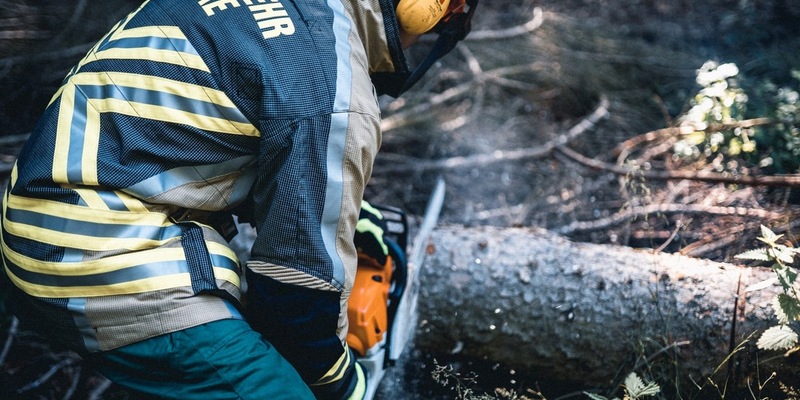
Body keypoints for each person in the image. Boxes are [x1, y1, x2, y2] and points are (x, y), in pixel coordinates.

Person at [0, 0, 476, 398]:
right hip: (102, 266)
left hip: (30, 230)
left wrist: (342, 214)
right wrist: (348, 382)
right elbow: (293, 299)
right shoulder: (331, 85)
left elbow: (191, 133)